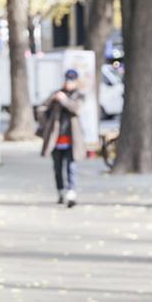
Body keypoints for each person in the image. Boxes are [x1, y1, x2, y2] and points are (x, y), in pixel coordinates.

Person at [37, 69, 86, 208]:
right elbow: (41, 109)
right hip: (56, 139)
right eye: (66, 80)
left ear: (76, 81)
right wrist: (52, 102)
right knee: (57, 168)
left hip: (72, 139)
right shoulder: (56, 94)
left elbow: (76, 108)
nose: (68, 83)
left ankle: (71, 192)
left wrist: (64, 100)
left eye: (71, 80)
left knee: (71, 167)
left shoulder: (79, 95)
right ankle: (61, 192)